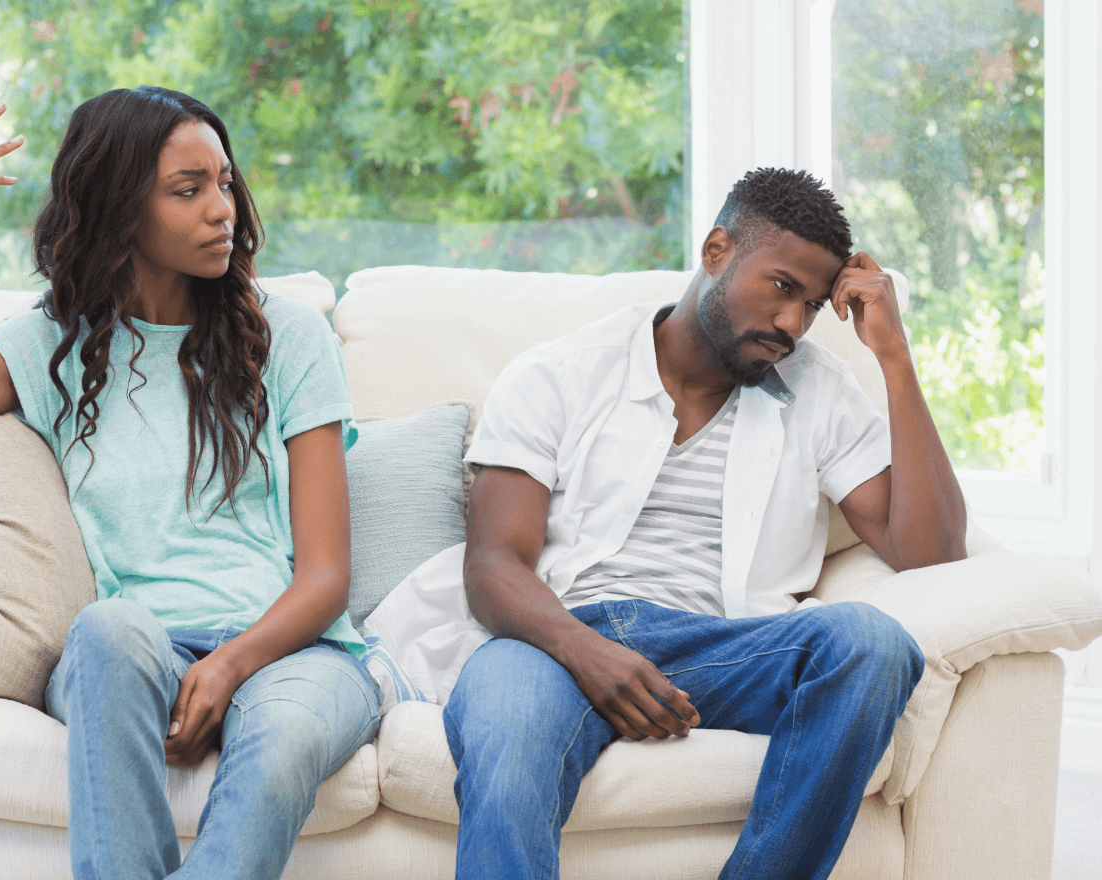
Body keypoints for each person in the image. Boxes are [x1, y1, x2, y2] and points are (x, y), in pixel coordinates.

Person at [0, 85, 382, 880]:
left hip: (294, 652)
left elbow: (325, 575)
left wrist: (230, 664)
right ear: (119, 211)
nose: (224, 210)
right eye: (189, 190)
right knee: (109, 627)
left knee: (282, 741)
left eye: (225, 182)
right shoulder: (51, 347)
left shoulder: (290, 337)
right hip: (128, 653)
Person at [365, 168, 966, 879]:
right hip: (556, 640)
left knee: (872, 642)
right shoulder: (560, 375)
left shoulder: (820, 393)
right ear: (717, 251)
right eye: (781, 288)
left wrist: (893, 358)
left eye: (811, 305)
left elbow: (930, 550)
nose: (793, 325)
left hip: (724, 646)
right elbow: (494, 566)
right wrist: (592, 657)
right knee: (508, 717)